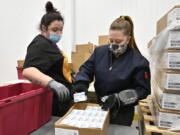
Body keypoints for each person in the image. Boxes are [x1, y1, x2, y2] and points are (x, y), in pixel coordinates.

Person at [74, 16, 151, 126]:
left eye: (119, 41)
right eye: (111, 40)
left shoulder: (139, 62)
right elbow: (86, 69)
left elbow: (142, 90)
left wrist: (118, 98)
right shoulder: (99, 52)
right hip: (100, 107)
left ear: (128, 39)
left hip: (122, 113)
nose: (114, 44)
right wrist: (81, 82)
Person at [23, 1, 72, 117]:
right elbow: (28, 70)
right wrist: (53, 83)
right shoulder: (39, 44)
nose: (59, 33)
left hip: (63, 98)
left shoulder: (50, 43)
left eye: (61, 30)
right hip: (54, 101)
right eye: (55, 30)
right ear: (44, 28)